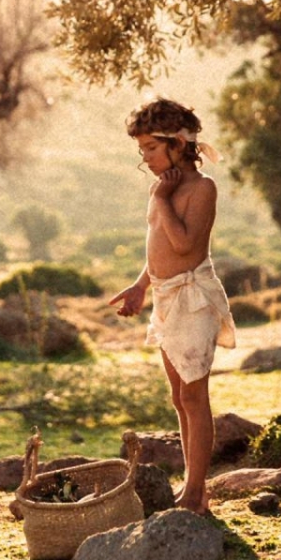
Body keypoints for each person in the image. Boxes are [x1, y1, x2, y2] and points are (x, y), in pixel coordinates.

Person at [108, 97, 236, 516]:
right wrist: (140, 285)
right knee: (179, 397)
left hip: (193, 299)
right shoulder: (160, 187)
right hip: (164, 297)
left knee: (195, 396)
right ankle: (190, 484)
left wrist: (164, 199)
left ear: (178, 145)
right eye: (141, 149)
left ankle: (197, 493)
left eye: (150, 148)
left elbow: (185, 245)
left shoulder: (202, 188)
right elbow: (159, 250)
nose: (144, 158)